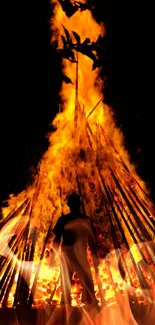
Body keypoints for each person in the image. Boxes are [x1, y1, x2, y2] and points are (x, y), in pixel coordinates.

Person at [52, 192, 99, 306]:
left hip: (75, 255)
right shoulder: (65, 220)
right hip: (68, 255)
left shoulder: (83, 220)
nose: (74, 205)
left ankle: (86, 303)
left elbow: (92, 241)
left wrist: (95, 258)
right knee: (69, 282)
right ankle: (73, 304)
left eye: (75, 203)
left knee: (83, 281)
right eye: (73, 203)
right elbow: (57, 239)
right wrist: (53, 256)